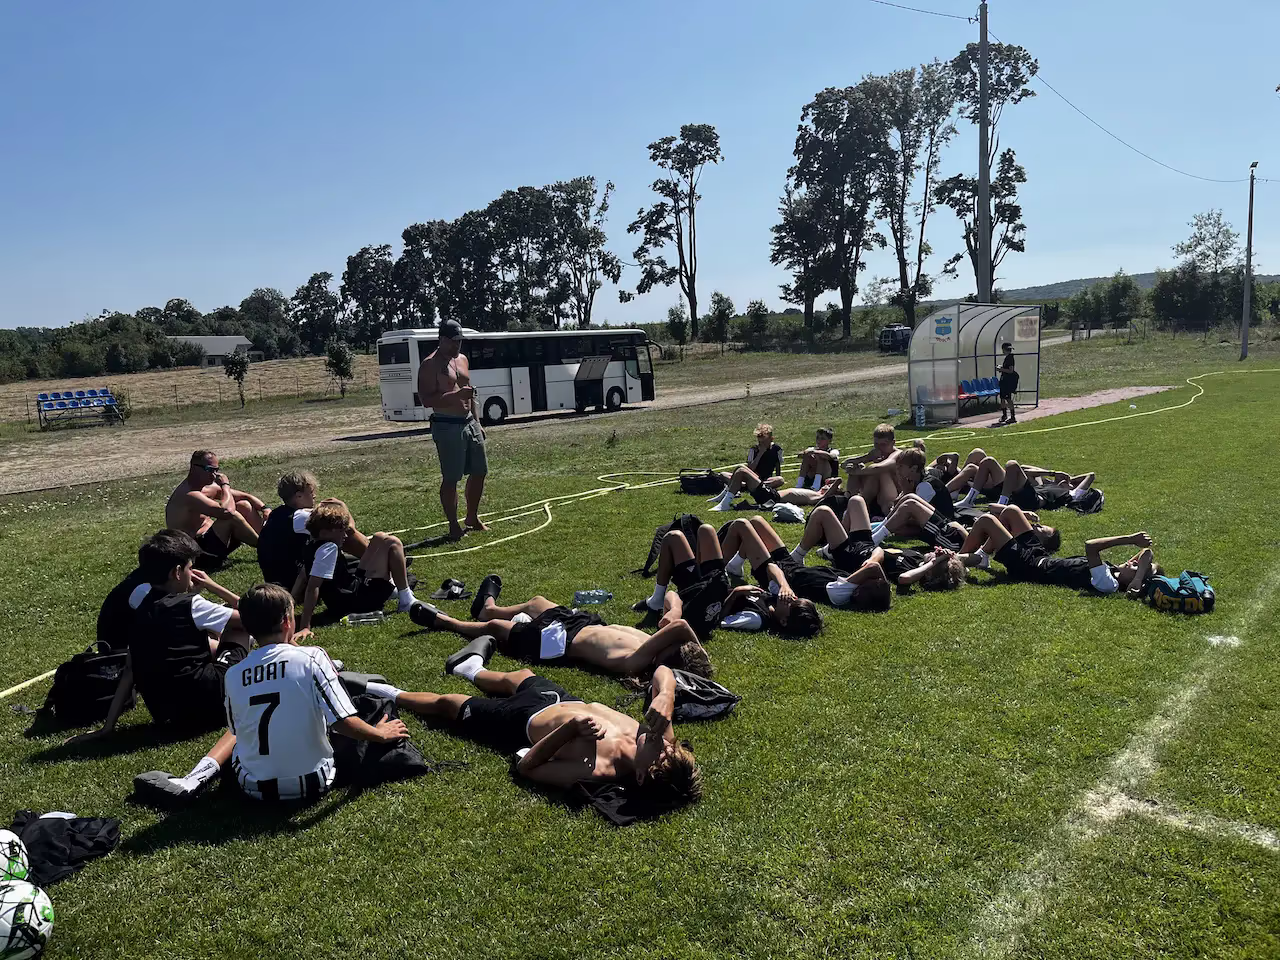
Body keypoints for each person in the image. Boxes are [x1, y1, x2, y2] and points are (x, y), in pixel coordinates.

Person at [133, 584, 412, 806]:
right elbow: (342, 721)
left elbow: (238, 732)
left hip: (253, 788)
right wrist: (380, 734)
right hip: (313, 782)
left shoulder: (233, 673)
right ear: (288, 621)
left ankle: (198, 777)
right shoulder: (312, 657)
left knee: (246, 725)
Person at [392, 655, 701, 806]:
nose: (666, 744)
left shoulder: (600, 770)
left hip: (519, 721)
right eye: (672, 748)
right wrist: (665, 696)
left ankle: (386, 691)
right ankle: (472, 668)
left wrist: (569, 730)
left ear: (639, 775)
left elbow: (528, 768)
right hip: (560, 699)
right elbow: (663, 671)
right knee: (518, 677)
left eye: (663, 754)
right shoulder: (659, 734)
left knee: (448, 703)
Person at [68, 530, 247, 744]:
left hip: (168, 717)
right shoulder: (191, 605)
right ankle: (268, 675)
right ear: (177, 572)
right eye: (191, 568)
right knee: (239, 629)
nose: (194, 573)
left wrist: (107, 728)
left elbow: (129, 671)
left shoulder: (138, 608)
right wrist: (213, 587)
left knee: (212, 631)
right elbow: (254, 618)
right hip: (209, 708)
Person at [411, 578, 713, 679]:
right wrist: (671, 611)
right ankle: (487, 606)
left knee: (495, 628)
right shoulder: (655, 643)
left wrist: (684, 634)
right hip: (583, 623)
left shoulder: (637, 661)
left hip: (557, 642)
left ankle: (445, 621)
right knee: (536, 602)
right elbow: (674, 598)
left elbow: (682, 626)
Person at [957, 505, 1156, 595]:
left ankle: (957, 562)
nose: (1135, 561)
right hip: (1039, 557)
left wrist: (1130, 539)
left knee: (987, 520)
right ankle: (982, 556)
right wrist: (1139, 571)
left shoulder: (1107, 583)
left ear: (1135, 581)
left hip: (1028, 567)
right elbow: (1147, 554)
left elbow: (1091, 547)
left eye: (1139, 567)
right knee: (1011, 511)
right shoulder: (1113, 571)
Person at [790, 494, 966, 591]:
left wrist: (936, 561)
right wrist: (949, 557)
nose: (937, 550)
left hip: (851, 557)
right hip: (866, 545)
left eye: (938, 555)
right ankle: (830, 549)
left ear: (931, 571)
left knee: (823, 512)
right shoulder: (917, 557)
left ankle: (797, 556)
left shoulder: (911, 571)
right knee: (857, 500)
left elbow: (904, 580)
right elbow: (971, 561)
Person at [719, 515, 892, 612]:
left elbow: (873, 567)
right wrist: (881, 584)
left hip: (775, 576)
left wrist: (881, 581)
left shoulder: (841, 594)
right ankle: (735, 565)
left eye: (871, 586)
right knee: (756, 521)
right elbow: (877, 556)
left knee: (741, 525)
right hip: (789, 565)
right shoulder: (850, 585)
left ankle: (717, 575)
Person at [417, 319, 488, 541]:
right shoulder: (429, 364)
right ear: (442, 339)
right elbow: (426, 399)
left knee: (480, 470)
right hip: (447, 424)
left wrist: (478, 422)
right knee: (451, 477)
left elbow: (469, 393)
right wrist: (455, 396)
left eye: (460, 341)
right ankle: (453, 525)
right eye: (454, 341)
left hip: (469, 422)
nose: (458, 346)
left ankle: (472, 517)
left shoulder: (463, 360)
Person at [295, 500, 417, 630]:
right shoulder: (328, 549)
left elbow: (303, 575)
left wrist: (290, 602)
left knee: (379, 538)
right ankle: (406, 600)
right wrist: (305, 626)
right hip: (355, 602)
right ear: (324, 532)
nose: (345, 535)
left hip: (349, 592)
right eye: (341, 530)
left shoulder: (311, 544)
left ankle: (394, 590)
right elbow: (313, 586)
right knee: (393, 543)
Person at [257, 472, 370, 589]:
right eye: (311, 492)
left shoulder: (277, 514)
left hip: (277, 579)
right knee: (345, 536)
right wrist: (342, 506)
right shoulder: (300, 517)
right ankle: (377, 565)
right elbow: (348, 528)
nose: (315, 496)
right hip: (292, 581)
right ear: (299, 496)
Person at [165, 450, 269, 570]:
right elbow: (227, 512)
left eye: (216, 470)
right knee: (231, 517)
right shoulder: (189, 494)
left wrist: (265, 508)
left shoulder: (207, 487)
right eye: (209, 470)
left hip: (213, 542)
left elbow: (246, 497)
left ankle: (269, 541)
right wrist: (225, 486)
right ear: (194, 468)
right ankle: (267, 548)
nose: (214, 475)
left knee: (244, 505)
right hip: (196, 555)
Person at [632, 523, 732, 641]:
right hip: (716, 581)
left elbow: (671, 594)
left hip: (693, 587)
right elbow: (725, 608)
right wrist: (737, 593)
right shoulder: (705, 624)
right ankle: (700, 565)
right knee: (706, 529)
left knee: (673, 537)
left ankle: (657, 600)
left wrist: (675, 609)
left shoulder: (686, 617)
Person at [708, 423, 784, 511]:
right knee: (723, 474)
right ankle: (731, 491)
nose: (761, 444)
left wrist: (777, 476)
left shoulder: (777, 449)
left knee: (780, 479)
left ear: (771, 439)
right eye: (759, 442)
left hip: (765, 481)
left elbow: (778, 465)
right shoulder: (754, 450)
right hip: (750, 477)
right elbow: (750, 469)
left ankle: (735, 489)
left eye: (763, 442)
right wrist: (760, 454)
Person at [845, 446, 927, 519]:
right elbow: (844, 464)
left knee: (880, 472)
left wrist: (856, 471)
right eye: (876, 444)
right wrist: (866, 458)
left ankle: (858, 507)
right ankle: (854, 505)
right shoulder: (907, 473)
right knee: (859, 468)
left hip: (889, 504)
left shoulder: (897, 455)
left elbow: (877, 468)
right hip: (888, 502)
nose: (879, 448)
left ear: (892, 443)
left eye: (883, 445)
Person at [997, 342, 1019, 425]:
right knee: (1003, 398)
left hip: (1007, 382)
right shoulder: (1007, 358)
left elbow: (1010, 370)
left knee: (1008, 399)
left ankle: (1012, 417)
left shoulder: (1010, 358)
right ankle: (1004, 415)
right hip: (1004, 381)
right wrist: (1002, 368)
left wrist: (1001, 369)